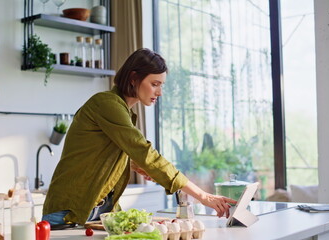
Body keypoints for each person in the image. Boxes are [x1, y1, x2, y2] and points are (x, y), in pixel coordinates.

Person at [42, 48, 236, 226]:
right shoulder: (106, 104)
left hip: (98, 212)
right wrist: (203, 196)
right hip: (68, 211)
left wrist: (134, 165)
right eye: (154, 84)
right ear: (134, 78)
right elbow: (145, 152)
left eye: (161, 85)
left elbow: (104, 152)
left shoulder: (122, 111)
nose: (159, 92)